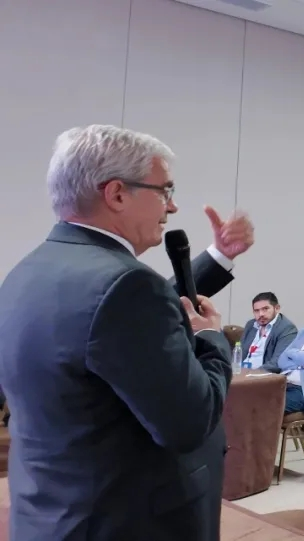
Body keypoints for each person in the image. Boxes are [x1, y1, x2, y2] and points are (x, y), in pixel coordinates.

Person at [0, 125, 255, 541]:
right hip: (127, 521)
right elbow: (189, 422)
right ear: (117, 194)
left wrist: (219, 257)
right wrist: (211, 339)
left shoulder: (26, 273)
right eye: (165, 190)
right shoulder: (126, 287)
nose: (172, 206)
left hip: (51, 514)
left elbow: (119, 330)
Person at [240, 292, 298, 372]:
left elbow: (277, 362)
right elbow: (239, 353)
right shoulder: (251, 325)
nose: (261, 314)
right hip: (240, 372)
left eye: (265, 309)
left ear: (277, 308)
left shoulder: (287, 328)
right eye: (256, 311)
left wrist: (251, 373)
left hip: (262, 375)